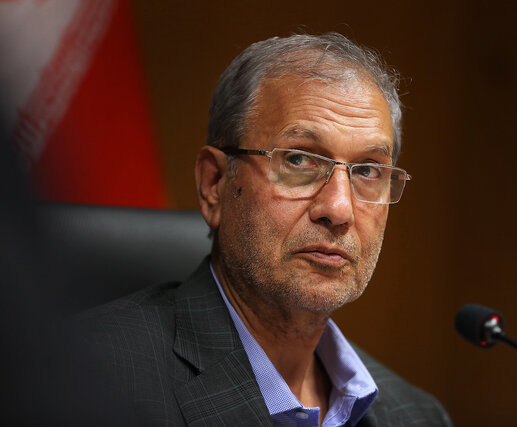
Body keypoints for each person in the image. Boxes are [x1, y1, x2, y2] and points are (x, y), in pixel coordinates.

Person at [77, 33, 452, 426]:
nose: (339, 209)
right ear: (214, 183)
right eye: (298, 160)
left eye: (368, 170)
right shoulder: (89, 376)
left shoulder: (419, 417)